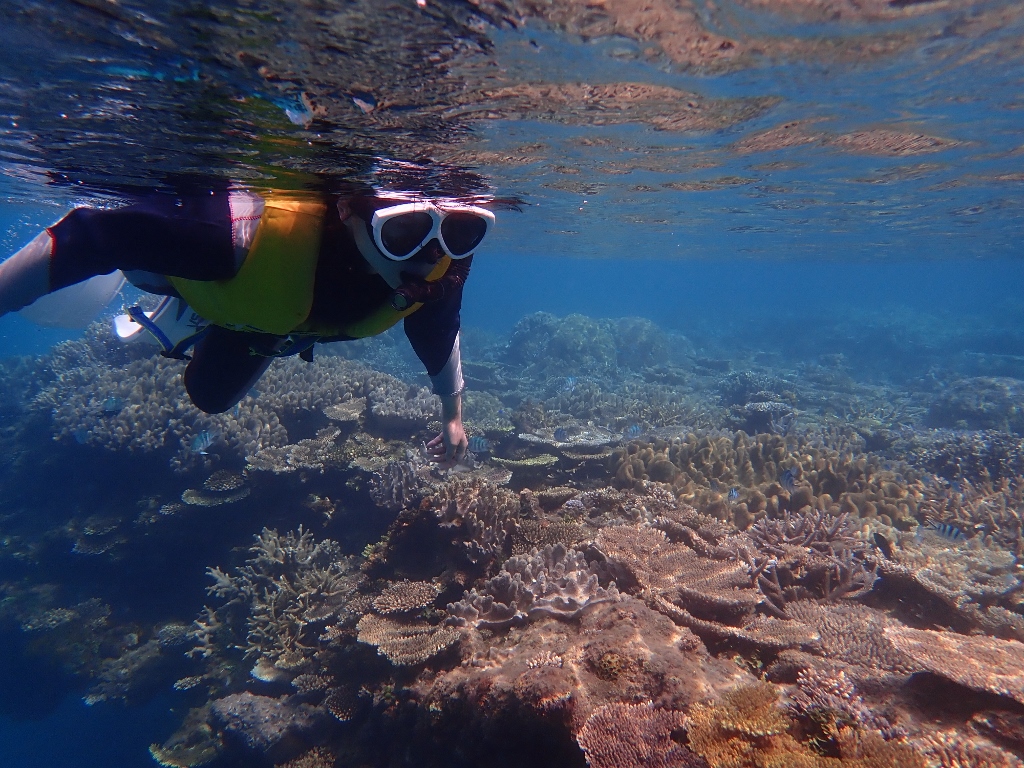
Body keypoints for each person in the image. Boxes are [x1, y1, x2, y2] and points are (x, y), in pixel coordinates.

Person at [0, 184, 496, 467]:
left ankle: (224, 311)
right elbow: (94, 235)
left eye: (459, 231)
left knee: (213, 395)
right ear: (346, 209)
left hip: (275, 317)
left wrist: (453, 416)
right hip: (248, 284)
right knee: (205, 380)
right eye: (403, 230)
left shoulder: (437, 266)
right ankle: (194, 300)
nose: (433, 252)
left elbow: (438, 330)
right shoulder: (238, 239)